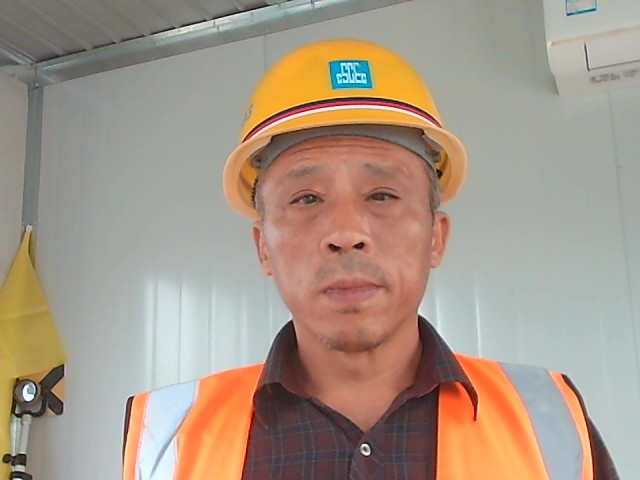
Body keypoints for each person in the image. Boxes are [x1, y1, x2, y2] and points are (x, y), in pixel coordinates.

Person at [122, 38, 619, 479]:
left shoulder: (548, 420)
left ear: (436, 237)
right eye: (307, 198)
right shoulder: (169, 438)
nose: (346, 233)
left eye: (382, 195)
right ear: (262, 247)